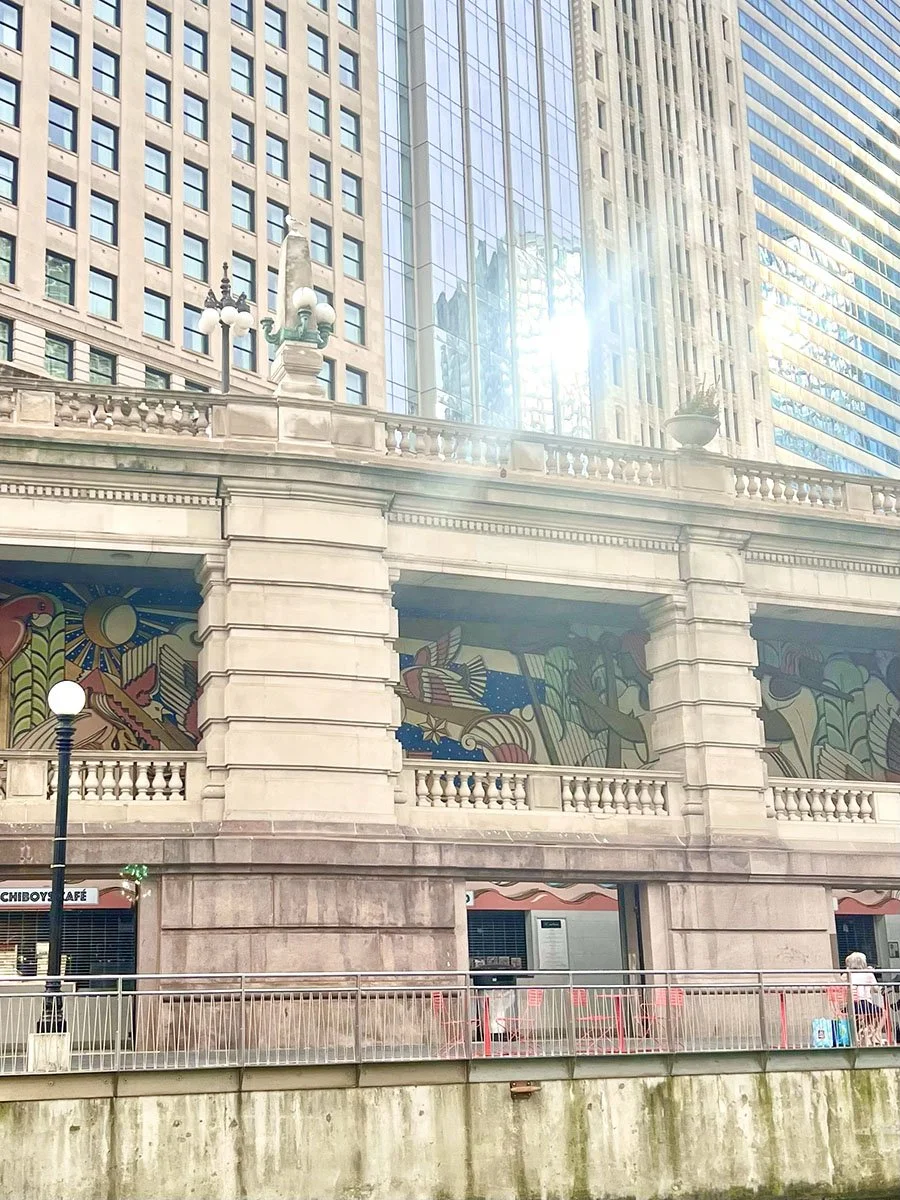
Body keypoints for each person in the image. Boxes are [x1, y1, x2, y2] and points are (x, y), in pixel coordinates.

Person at [844, 951, 887, 1045]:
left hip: (850, 1005)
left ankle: (864, 1036)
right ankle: (877, 1034)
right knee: (883, 1013)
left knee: (868, 1016)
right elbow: (876, 989)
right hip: (863, 1004)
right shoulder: (867, 973)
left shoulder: (846, 974)